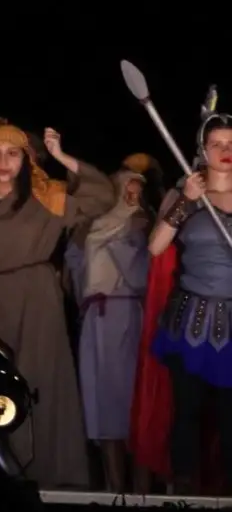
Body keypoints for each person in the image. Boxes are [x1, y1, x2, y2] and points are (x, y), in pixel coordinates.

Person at [0, 120, 113, 489]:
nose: (3, 162)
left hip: (36, 301)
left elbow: (102, 196)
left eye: (13, 153)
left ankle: (51, 474)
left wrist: (60, 155)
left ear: (26, 159)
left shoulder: (48, 198)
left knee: (39, 381)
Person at [133, 91, 232, 493]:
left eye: (231, 144)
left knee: (230, 419)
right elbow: (156, 247)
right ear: (202, 150)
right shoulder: (184, 193)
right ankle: (185, 500)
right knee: (187, 414)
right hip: (190, 321)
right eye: (217, 144)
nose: (225, 151)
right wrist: (186, 203)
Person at [63, 163, 150, 493]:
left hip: (127, 316)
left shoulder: (140, 224)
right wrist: (82, 237)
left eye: (138, 189)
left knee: (131, 401)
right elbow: (75, 269)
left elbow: (141, 272)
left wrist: (132, 234)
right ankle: (114, 488)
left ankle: (142, 491)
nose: (133, 195)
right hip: (95, 319)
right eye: (128, 188)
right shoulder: (95, 226)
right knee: (101, 401)